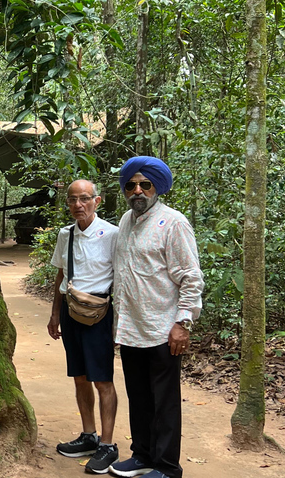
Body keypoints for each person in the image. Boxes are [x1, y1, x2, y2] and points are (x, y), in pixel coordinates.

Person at [109, 156, 204, 478]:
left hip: (163, 330)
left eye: (145, 185)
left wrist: (183, 323)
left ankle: (165, 467)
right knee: (139, 398)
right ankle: (142, 455)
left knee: (164, 403)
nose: (137, 190)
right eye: (131, 185)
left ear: (156, 187)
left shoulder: (173, 222)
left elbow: (191, 277)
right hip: (130, 328)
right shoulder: (125, 220)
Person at [48, 179, 120, 474]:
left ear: (97, 201)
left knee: (102, 380)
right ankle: (88, 435)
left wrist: (122, 322)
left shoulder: (113, 234)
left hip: (99, 313)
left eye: (84, 199)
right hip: (70, 310)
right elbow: (61, 276)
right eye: (73, 200)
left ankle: (108, 444)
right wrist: (55, 314)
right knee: (79, 377)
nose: (78, 205)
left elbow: (124, 277)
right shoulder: (66, 235)